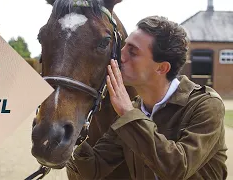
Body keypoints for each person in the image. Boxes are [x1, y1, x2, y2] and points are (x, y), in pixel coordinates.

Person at [65, 15, 228, 180]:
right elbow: (93, 169)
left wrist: (128, 113)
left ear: (161, 68)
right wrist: (69, 134)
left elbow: (177, 168)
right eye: (123, 46)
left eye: (133, 51)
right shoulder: (132, 111)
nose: (120, 56)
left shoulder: (206, 105)